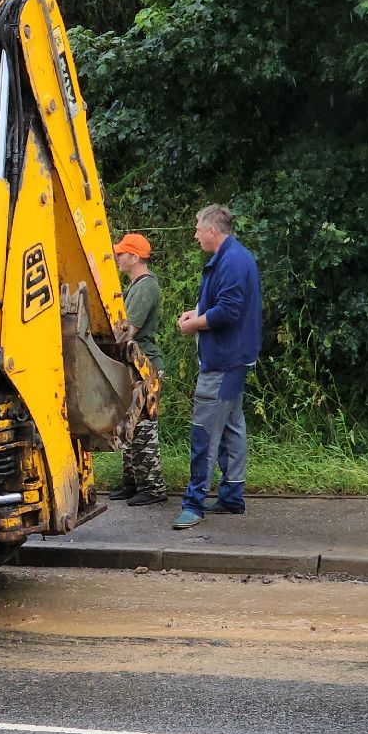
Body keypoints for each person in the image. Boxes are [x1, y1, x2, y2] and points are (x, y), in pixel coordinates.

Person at [172, 204, 261, 530]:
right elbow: (218, 301)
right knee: (232, 426)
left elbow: (229, 312)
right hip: (233, 359)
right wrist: (194, 312)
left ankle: (193, 505)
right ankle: (232, 495)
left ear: (213, 230)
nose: (195, 234)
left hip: (223, 363)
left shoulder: (233, 262)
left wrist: (193, 325)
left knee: (205, 432)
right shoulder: (231, 257)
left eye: (198, 228)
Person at [108, 232, 166, 506]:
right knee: (130, 426)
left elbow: (129, 330)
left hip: (146, 367)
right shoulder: (135, 286)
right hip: (134, 366)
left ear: (134, 257)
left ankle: (153, 487)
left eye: (121, 253)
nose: (117, 257)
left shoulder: (145, 288)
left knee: (143, 427)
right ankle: (132, 482)